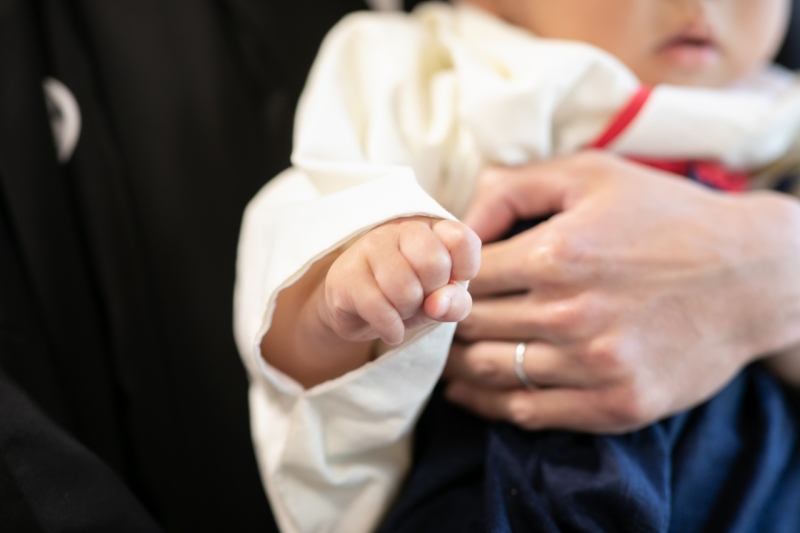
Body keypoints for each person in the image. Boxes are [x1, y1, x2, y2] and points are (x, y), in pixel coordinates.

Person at [234, 0, 800, 531]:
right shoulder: (447, 81)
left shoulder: (779, 116)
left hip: (753, 478)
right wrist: (354, 287)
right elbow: (295, 272)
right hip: (505, 471)